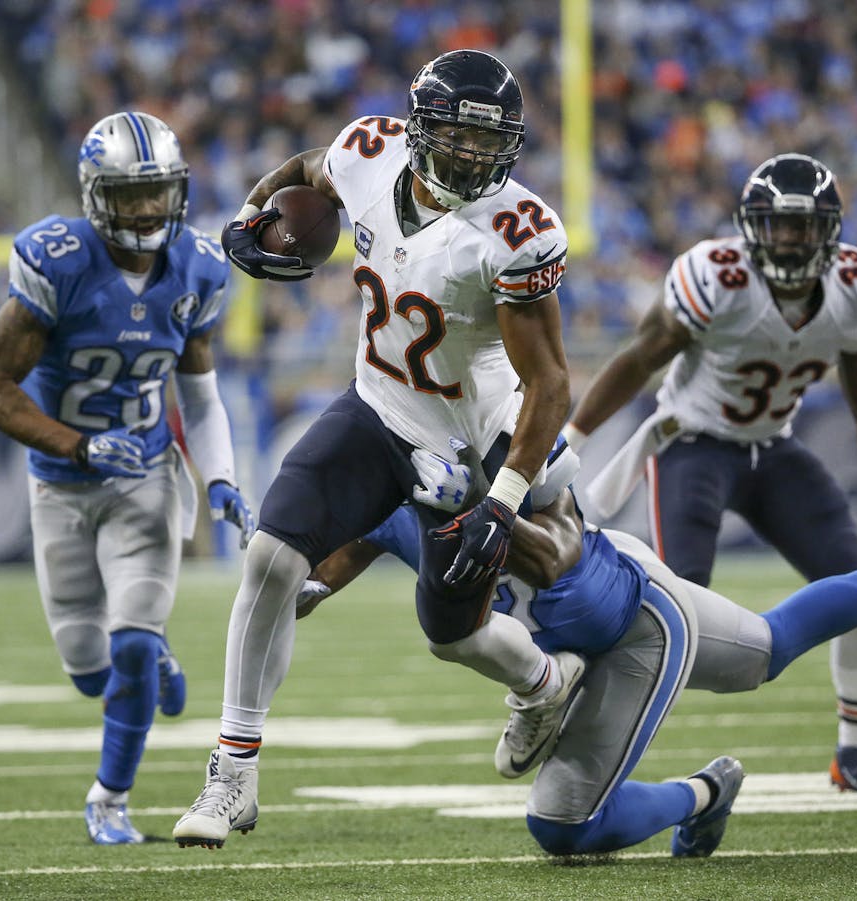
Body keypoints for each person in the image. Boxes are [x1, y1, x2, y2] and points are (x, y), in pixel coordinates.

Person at [172, 49, 575, 849]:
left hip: (469, 438)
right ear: (420, 130)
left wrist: (501, 502)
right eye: (457, 138)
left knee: (451, 631)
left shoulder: (515, 232)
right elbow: (307, 168)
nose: (472, 157)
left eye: (488, 145)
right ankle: (232, 770)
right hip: (379, 407)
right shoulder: (366, 151)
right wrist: (254, 216)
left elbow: (552, 384)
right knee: (270, 557)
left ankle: (542, 683)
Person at [292, 443, 857, 858]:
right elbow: (368, 526)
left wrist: (483, 506)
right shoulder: (407, 467)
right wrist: (316, 582)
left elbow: (558, 531)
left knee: (562, 827)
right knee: (769, 646)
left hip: (624, 620)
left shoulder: (499, 433)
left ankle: (694, 790)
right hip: (601, 613)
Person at [561, 154, 857, 802]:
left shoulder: (852, 286)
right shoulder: (717, 276)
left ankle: (855, 750)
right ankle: (584, 737)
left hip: (773, 449)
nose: (788, 239)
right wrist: (572, 440)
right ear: (749, 228)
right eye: (777, 226)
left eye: (802, 227)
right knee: (670, 612)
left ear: (830, 231)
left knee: (855, 586)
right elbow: (640, 358)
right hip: (693, 445)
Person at [0, 111, 255, 844]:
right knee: (90, 669)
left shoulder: (196, 267)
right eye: (132, 195)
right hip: (61, 481)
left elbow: (199, 390)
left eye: (159, 191)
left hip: (149, 477)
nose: (149, 209)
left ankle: (109, 797)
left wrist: (218, 478)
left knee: (128, 641)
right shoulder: (58, 261)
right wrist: (81, 447)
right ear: (98, 197)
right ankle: (143, 664)